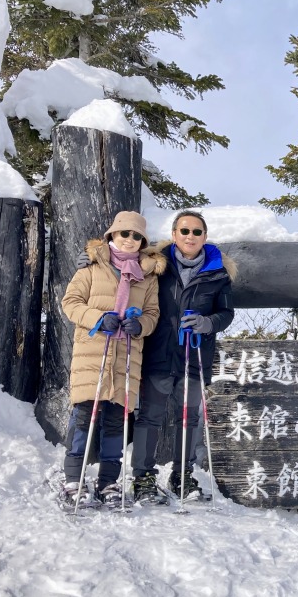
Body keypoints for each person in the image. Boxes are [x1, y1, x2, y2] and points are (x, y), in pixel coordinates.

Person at [130, 209, 236, 501]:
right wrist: (92, 259)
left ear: (205, 236)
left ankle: (182, 476)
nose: (191, 236)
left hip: (194, 355)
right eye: (185, 231)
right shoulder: (156, 264)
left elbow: (226, 313)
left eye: (197, 231)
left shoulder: (217, 273)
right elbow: (119, 263)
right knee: (149, 417)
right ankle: (142, 479)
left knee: (188, 418)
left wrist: (207, 323)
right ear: (174, 235)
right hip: (159, 354)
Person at [60, 211, 163, 506]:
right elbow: (70, 303)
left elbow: (152, 313)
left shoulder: (147, 277)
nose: (129, 240)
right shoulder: (91, 268)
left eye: (136, 236)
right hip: (92, 354)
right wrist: (97, 318)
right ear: (112, 236)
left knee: (117, 422)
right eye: (124, 234)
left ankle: (108, 482)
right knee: (83, 417)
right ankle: (73, 480)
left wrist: (140, 325)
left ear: (142, 241)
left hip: (126, 358)